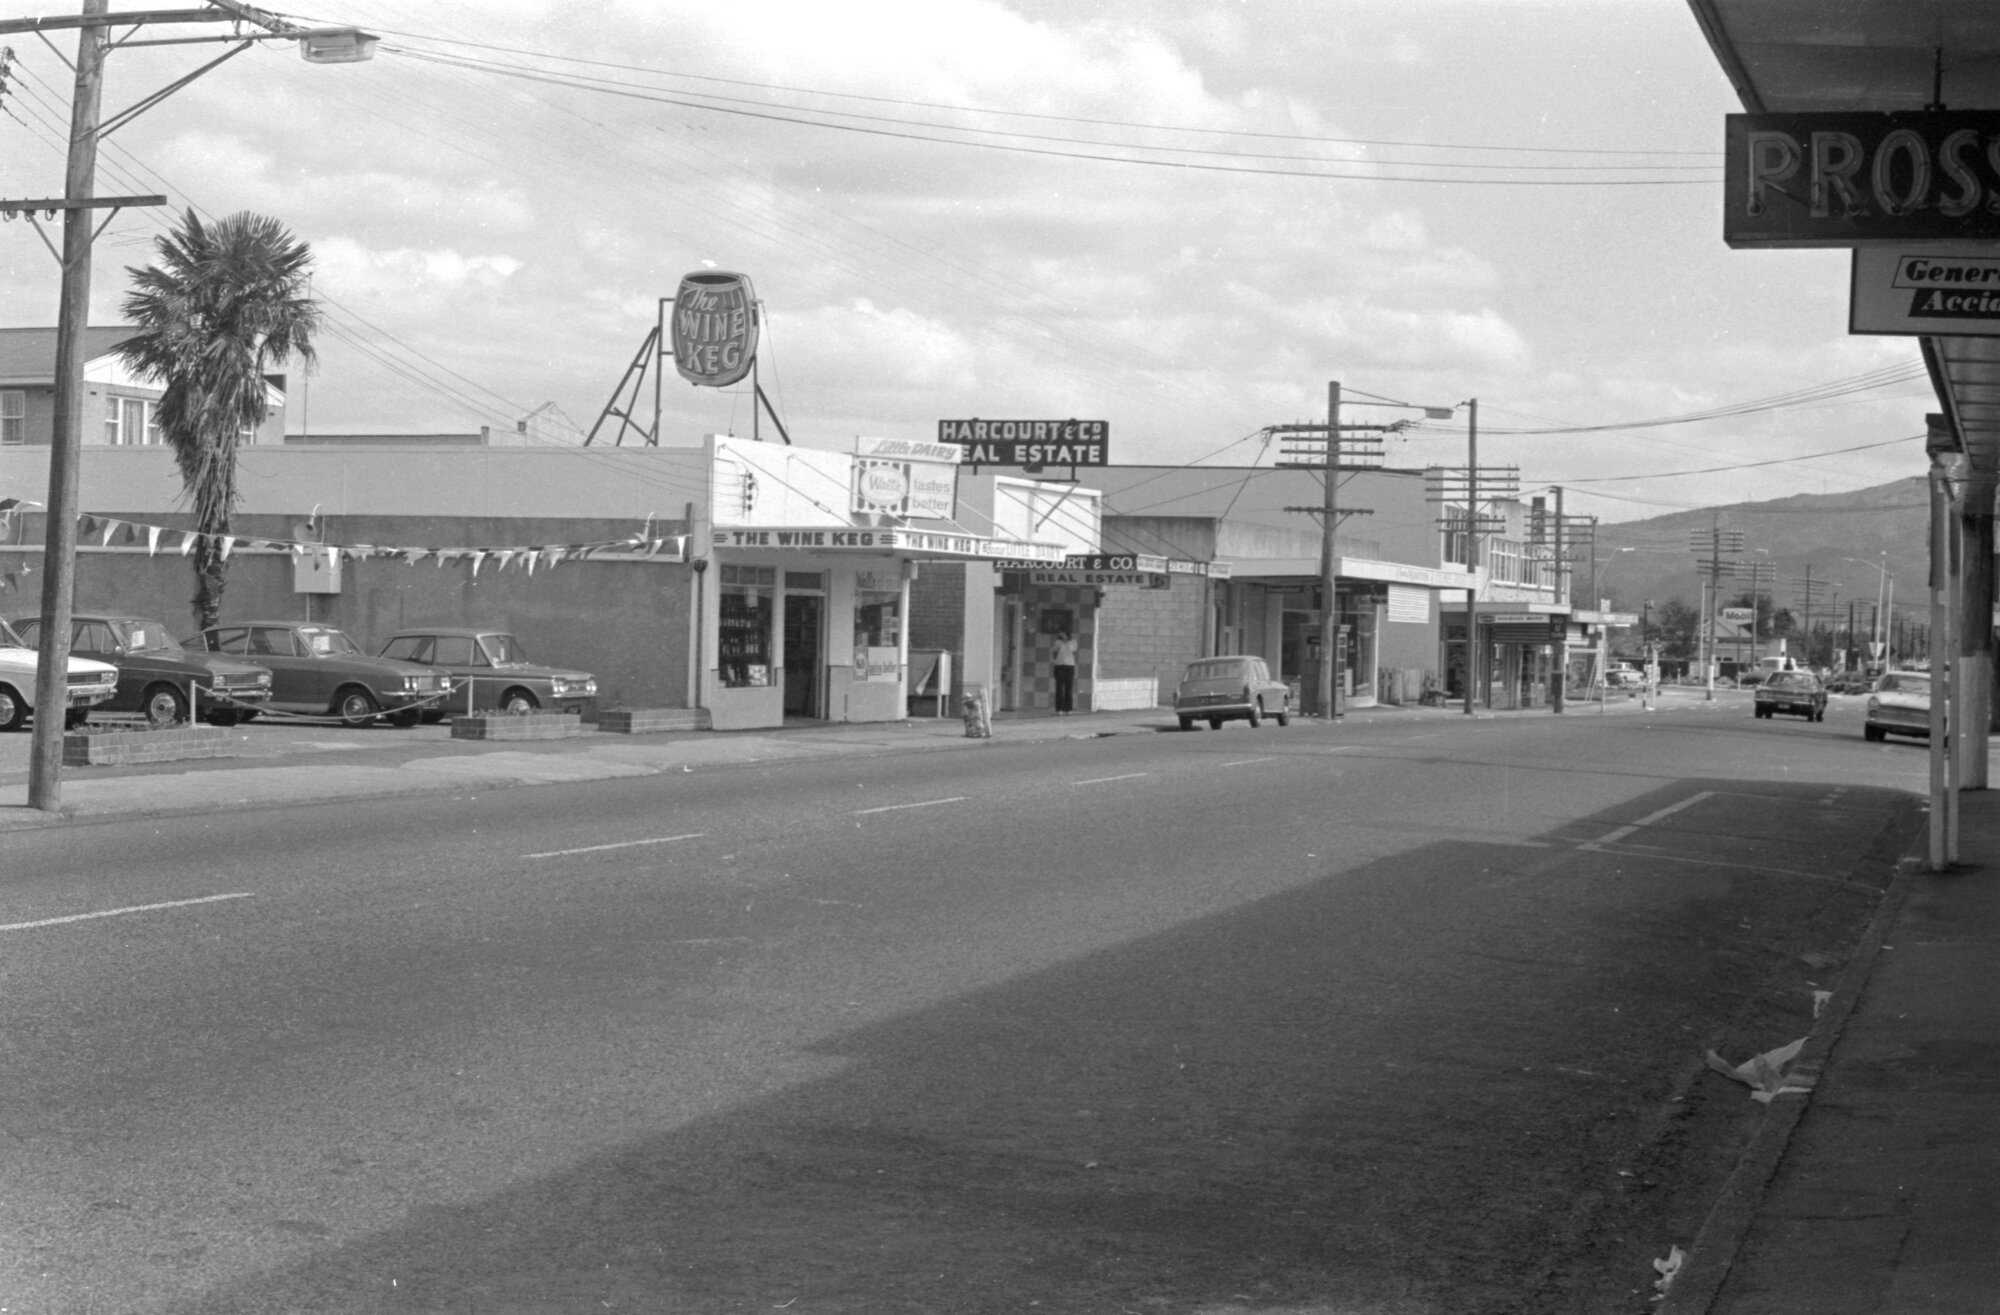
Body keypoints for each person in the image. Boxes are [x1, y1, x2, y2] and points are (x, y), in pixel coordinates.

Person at [1052, 629, 1078, 714]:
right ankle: (1059, 708)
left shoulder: (1073, 642)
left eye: (1062, 632)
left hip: (1069, 665)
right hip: (1059, 665)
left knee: (1068, 687)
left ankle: (1068, 708)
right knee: (1059, 688)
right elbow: (1055, 653)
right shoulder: (1058, 642)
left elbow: (1074, 653)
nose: (1061, 634)